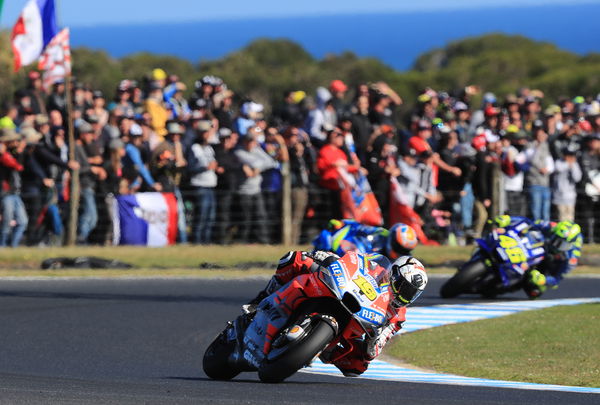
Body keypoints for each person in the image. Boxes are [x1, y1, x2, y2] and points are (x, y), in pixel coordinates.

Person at [244, 250, 428, 376]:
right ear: (394, 273)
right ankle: (261, 300)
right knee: (295, 258)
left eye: (410, 294)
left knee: (359, 367)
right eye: (403, 287)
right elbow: (355, 260)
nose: (403, 296)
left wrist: (374, 341)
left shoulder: (398, 315)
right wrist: (327, 256)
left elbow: (377, 348)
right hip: (341, 289)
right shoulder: (377, 266)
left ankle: (320, 349)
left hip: (357, 323)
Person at [489, 215, 582, 299]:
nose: (558, 246)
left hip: (547, 263)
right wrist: (509, 219)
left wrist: (544, 280)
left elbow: (557, 279)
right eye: (556, 240)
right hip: (536, 246)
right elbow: (528, 222)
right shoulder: (551, 226)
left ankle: (507, 285)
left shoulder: (571, 256)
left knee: (535, 291)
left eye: (563, 245)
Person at [313, 219, 418, 259]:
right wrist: (342, 224)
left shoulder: (399, 260)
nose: (401, 252)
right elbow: (359, 227)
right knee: (326, 241)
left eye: (404, 250)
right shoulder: (380, 233)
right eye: (399, 247)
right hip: (349, 252)